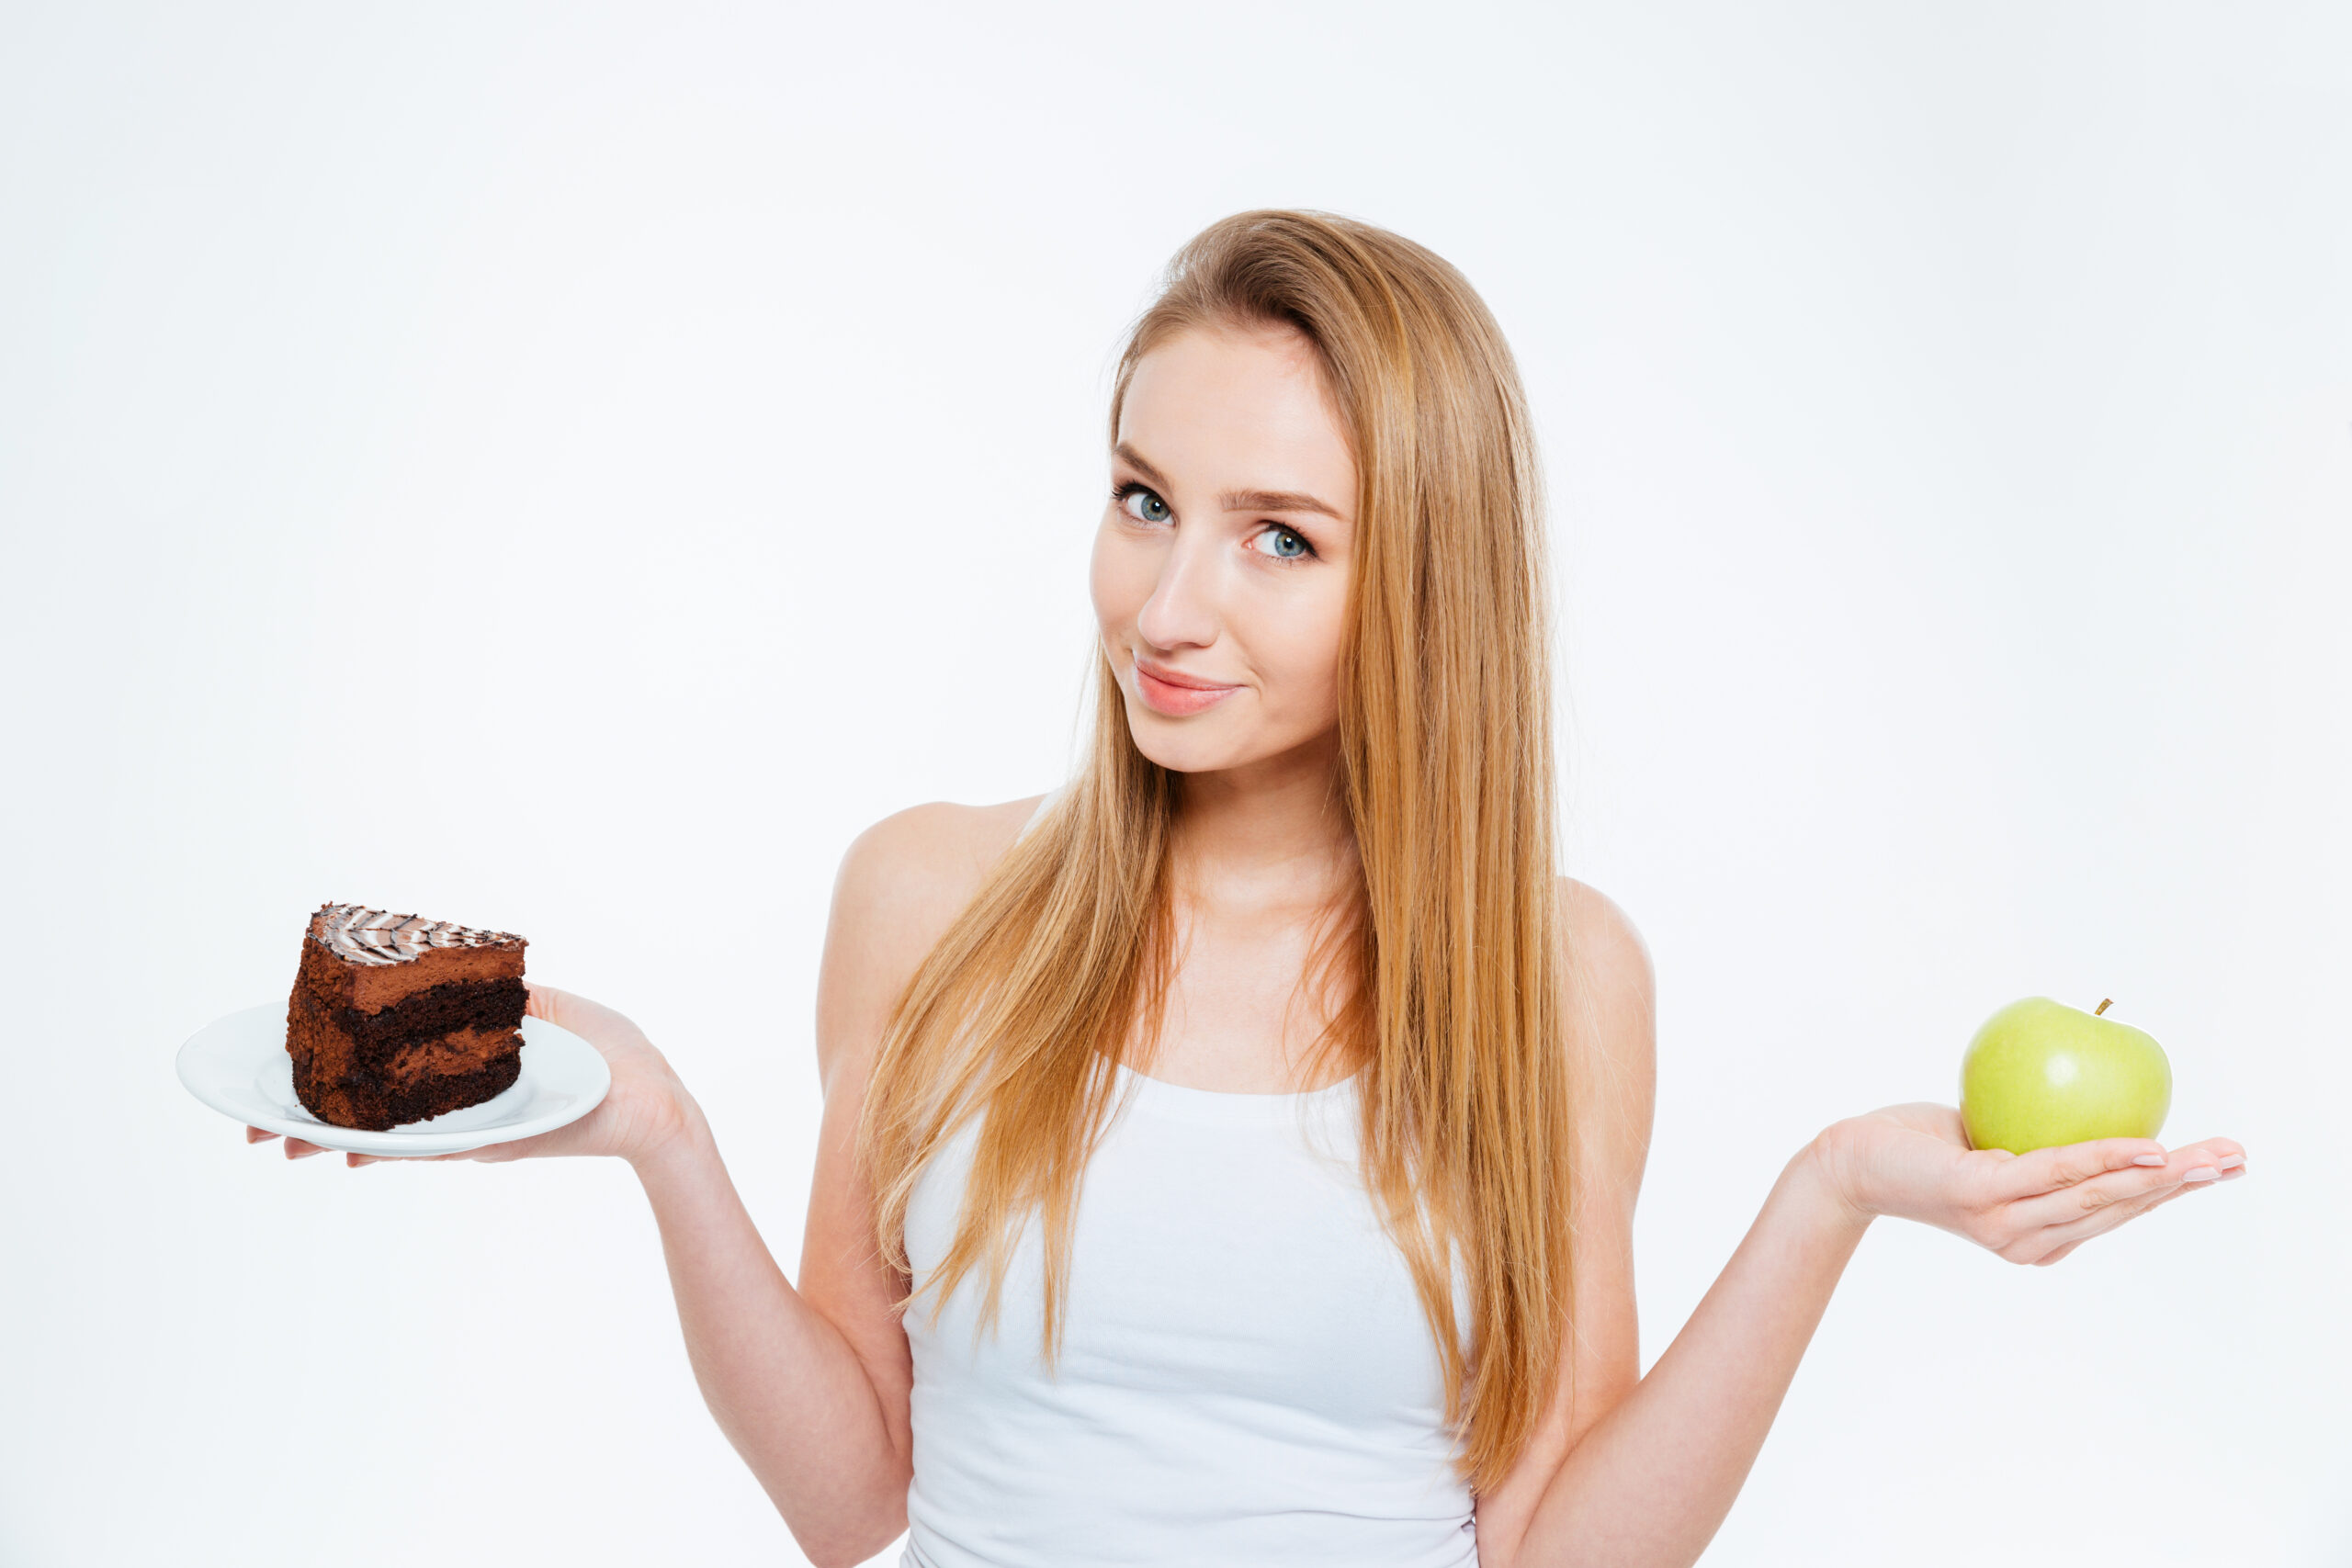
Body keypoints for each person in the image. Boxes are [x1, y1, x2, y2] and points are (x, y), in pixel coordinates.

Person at [249, 210, 2248, 1568]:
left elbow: (1551, 1543)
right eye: (1143, 500)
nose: (1166, 603)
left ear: (1424, 585)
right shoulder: (930, 896)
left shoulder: (1551, 972)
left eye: (1275, 536)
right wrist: (665, 1141)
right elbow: (860, 1501)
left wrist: (1832, 1188)